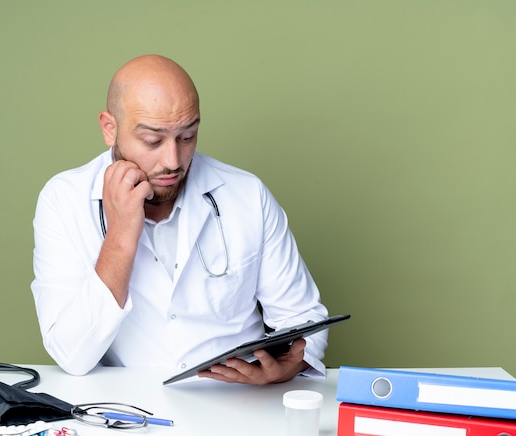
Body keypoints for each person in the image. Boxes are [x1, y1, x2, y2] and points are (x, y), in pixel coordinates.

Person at [31, 54, 329, 385]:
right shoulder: (63, 200)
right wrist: (120, 236)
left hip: (238, 403)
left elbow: (303, 318)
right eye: (152, 140)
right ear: (110, 128)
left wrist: (290, 366)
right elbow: (72, 355)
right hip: (132, 406)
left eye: (187, 137)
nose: (173, 160)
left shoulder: (247, 194)